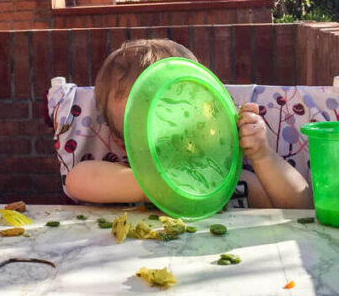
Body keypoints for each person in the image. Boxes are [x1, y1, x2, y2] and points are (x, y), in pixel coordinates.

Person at [63, 38, 311, 209]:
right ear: (123, 142)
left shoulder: (228, 184)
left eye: (189, 117)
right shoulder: (118, 179)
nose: (178, 132)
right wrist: (156, 186)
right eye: (156, 128)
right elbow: (76, 180)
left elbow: (300, 207)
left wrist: (262, 155)